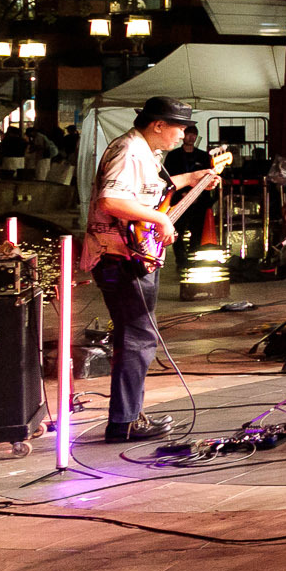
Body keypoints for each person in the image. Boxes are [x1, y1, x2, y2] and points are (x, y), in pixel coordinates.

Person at [85, 97, 227, 442]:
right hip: (120, 258)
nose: (183, 134)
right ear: (158, 125)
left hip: (134, 254)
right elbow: (110, 200)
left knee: (136, 336)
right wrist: (160, 219)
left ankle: (129, 416)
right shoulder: (128, 151)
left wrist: (192, 178)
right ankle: (123, 423)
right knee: (137, 338)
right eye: (179, 127)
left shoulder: (145, 152)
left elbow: (148, 191)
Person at [161, 123, 215, 273]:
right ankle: (181, 261)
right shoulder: (174, 155)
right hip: (179, 200)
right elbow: (168, 178)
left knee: (196, 231)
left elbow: (208, 177)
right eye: (188, 134)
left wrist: (198, 194)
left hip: (199, 200)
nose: (191, 137)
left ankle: (193, 259)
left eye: (194, 135)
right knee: (177, 230)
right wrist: (182, 194)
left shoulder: (203, 156)